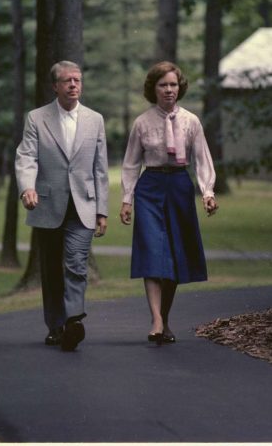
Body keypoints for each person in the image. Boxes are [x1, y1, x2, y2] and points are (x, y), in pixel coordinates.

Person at [120, 61, 218, 345]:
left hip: (178, 186)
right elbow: (130, 164)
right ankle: (156, 319)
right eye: (163, 85)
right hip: (150, 186)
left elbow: (202, 159)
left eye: (173, 84)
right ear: (153, 88)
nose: (169, 90)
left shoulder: (190, 121)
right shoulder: (142, 122)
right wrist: (127, 199)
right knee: (152, 251)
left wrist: (208, 193)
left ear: (180, 87)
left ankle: (165, 317)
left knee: (175, 254)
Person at [16, 61, 108, 351]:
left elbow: (100, 169)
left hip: (84, 205)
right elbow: (27, 157)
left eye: (77, 80)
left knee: (77, 264)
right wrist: (27, 187)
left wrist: (102, 210)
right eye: (67, 80)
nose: (73, 85)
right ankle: (55, 326)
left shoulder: (95, 120)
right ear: (55, 86)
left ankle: (73, 322)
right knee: (52, 269)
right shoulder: (37, 118)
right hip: (47, 203)